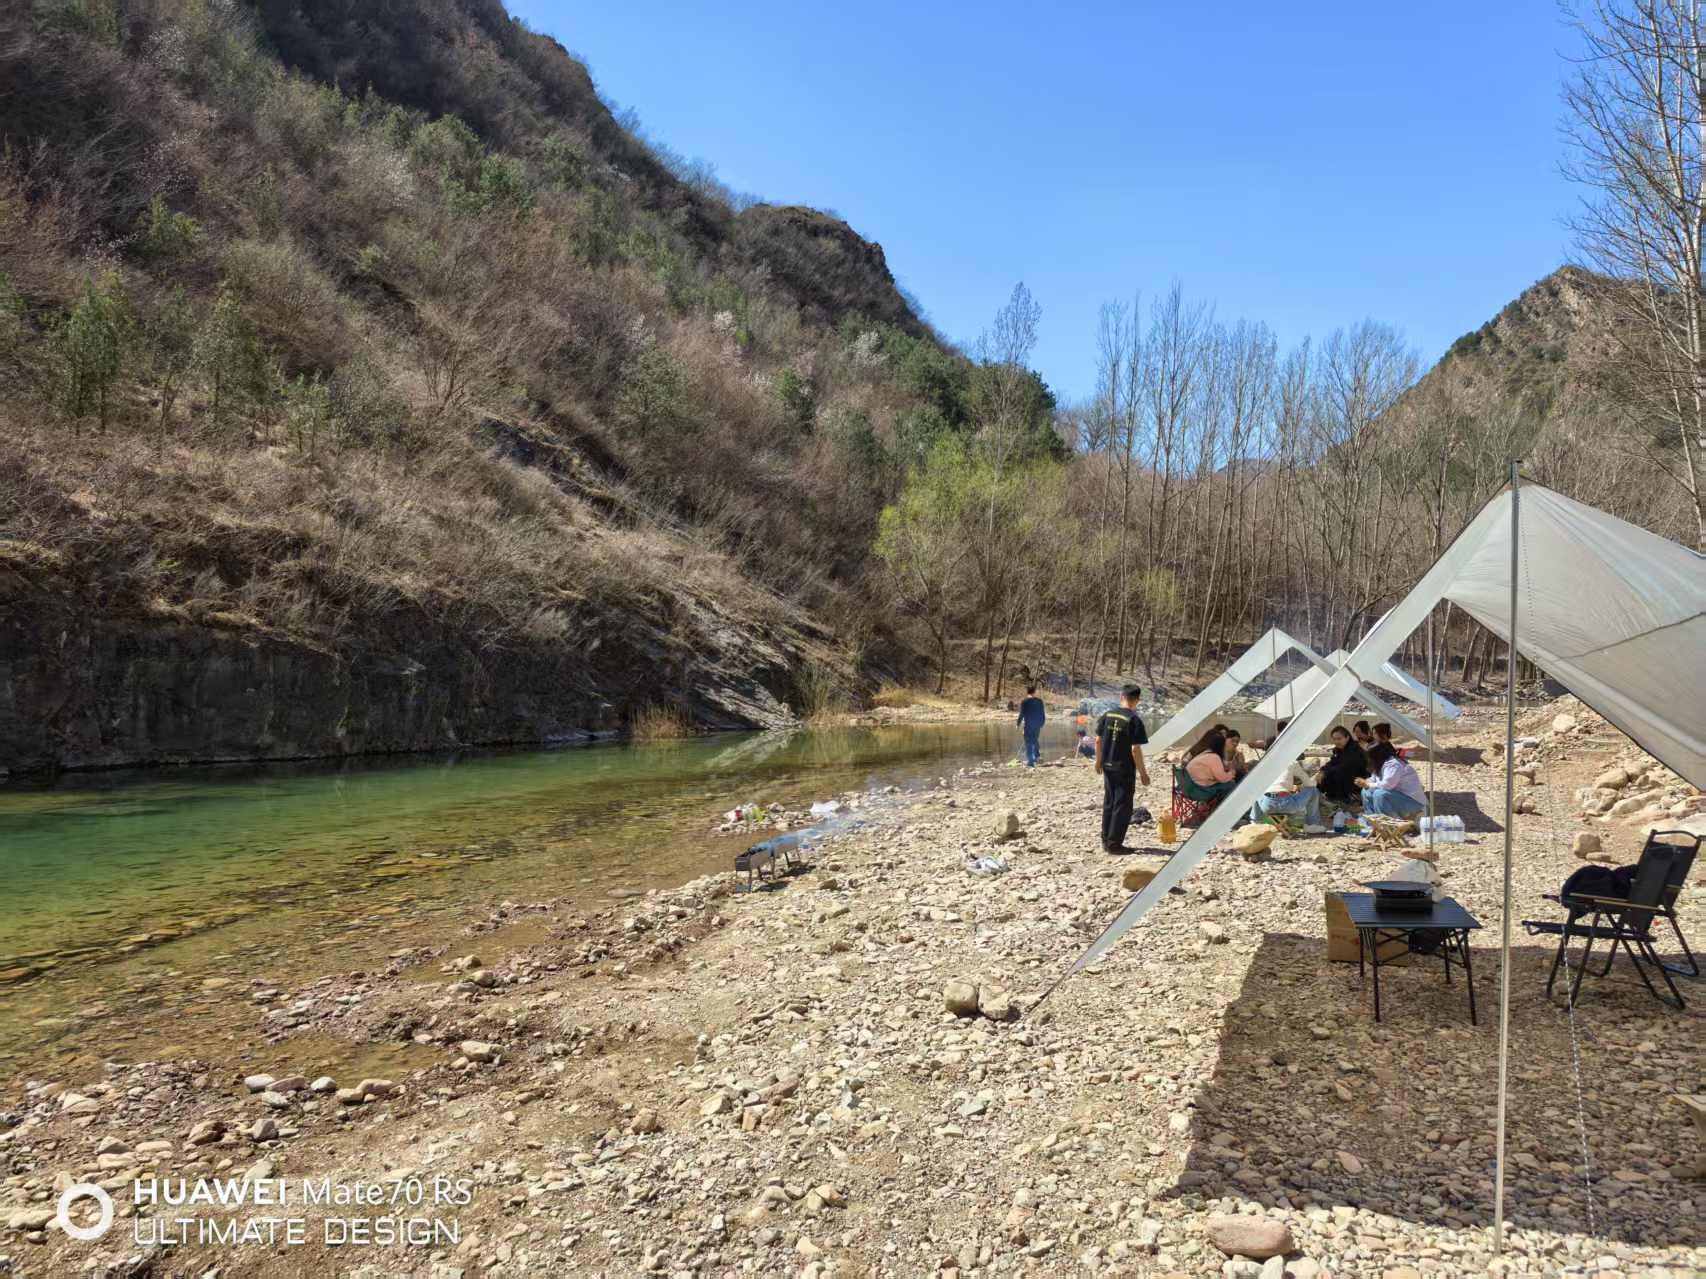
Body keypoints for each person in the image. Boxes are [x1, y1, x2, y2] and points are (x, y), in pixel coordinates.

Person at [1094, 684, 1151, 853]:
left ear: (1122, 696)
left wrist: (1098, 762)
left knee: (1109, 802)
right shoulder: (1134, 720)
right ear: (1137, 700)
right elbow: (1135, 750)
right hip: (1124, 768)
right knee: (1122, 805)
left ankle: (1106, 840)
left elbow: (1098, 741)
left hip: (1108, 765)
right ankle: (1115, 844)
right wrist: (1143, 773)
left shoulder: (1107, 714)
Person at [1248, 754, 1324, 830]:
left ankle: (1255, 821)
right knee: (1313, 790)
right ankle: (1312, 825)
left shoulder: (1265, 763)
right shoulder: (1292, 763)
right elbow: (1309, 784)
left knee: (1257, 791)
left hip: (1266, 806)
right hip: (1286, 805)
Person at [1357, 741, 1426, 819]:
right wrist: (1365, 782)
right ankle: (1372, 821)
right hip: (1398, 798)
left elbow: (1387, 786)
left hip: (1414, 803)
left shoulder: (1393, 764)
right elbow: (1374, 779)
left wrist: (1368, 784)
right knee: (1366, 791)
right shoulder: (1380, 764)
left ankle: (1387, 824)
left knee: (1379, 794)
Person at [1316, 725, 1367, 806]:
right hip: (1345, 778)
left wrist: (1325, 773)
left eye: (1339, 739)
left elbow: (1344, 767)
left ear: (1347, 738)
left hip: (1356, 782)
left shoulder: (1354, 750)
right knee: (1324, 774)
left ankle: (1345, 799)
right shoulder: (1340, 749)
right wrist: (1322, 771)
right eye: (1334, 739)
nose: (1336, 742)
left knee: (1332, 774)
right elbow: (1332, 762)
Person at [1182, 730, 1239, 802]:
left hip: (1189, 787)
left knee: (1227, 783)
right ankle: (1222, 807)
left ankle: (1215, 805)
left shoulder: (1206, 752)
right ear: (1221, 746)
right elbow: (1222, 779)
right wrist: (1232, 773)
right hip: (1199, 790)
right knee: (1231, 784)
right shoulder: (1214, 757)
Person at [1017, 686, 1046, 768]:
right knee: (1035, 740)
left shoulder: (1024, 701)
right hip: (1037, 725)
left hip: (1028, 725)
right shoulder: (1039, 701)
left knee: (1028, 742)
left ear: (1027, 692)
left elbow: (1022, 714)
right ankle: (1037, 757)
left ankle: (1031, 761)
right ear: (1034, 692)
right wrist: (1042, 723)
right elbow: (1042, 713)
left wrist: (1018, 724)